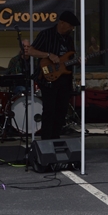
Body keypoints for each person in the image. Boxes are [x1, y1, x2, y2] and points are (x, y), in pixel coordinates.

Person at [25, 10, 79, 140]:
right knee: (49, 110)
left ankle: (56, 138)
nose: (72, 29)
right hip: (48, 78)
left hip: (64, 79)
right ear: (61, 23)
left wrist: (78, 61)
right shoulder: (46, 34)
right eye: (70, 25)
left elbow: (69, 60)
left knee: (62, 110)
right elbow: (30, 51)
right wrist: (48, 55)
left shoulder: (69, 39)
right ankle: (46, 140)